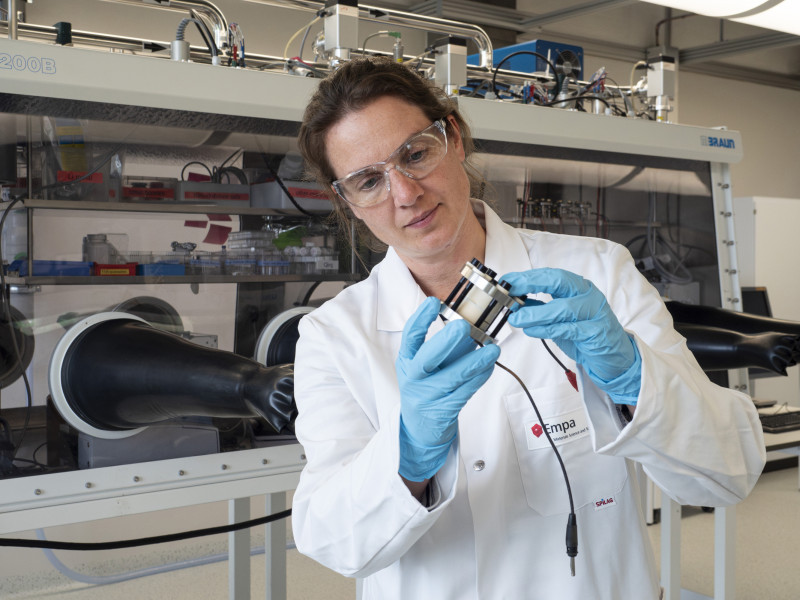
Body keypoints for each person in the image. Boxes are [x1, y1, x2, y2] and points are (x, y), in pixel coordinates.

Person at [290, 57, 766, 599]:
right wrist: (409, 453)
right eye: (369, 180)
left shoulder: (598, 272)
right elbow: (333, 543)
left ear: (456, 137)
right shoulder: (333, 336)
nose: (405, 193)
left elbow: (730, 472)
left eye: (415, 154)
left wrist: (633, 377)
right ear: (346, 202)